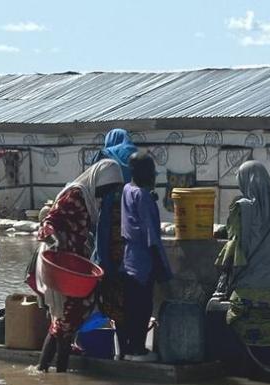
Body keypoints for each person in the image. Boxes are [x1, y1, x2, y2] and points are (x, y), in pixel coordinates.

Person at [36, 159, 124, 372]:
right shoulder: (75, 195)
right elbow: (51, 220)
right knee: (67, 319)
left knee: (63, 322)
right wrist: (52, 237)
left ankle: (45, 371)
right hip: (61, 265)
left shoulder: (89, 198)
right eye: (107, 189)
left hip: (77, 265)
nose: (106, 195)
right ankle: (59, 373)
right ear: (99, 181)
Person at [209, 161, 270, 382]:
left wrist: (224, 282)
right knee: (267, 335)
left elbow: (235, 248)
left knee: (241, 329)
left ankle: (254, 378)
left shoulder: (242, 208)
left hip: (249, 285)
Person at [121, 152, 172, 361]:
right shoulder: (142, 196)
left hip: (128, 259)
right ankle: (139, 351)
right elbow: (151, 237)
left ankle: (128, 349)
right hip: (143, 261)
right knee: (142, 308)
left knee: (131, 308)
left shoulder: (127, 189)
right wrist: (162, 271)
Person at [92, 129, 137, 355]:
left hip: (110, 227)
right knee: (131, 295)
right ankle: (131, 346)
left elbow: (93, 187)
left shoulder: (104, 157)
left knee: (110, 291)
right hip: (132, 231)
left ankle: (119, 348)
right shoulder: (135, 155)